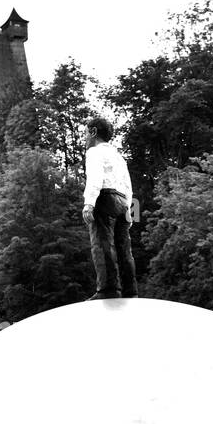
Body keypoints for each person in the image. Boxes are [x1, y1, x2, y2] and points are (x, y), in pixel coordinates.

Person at [82, 116, 137, 300]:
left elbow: (95, 178)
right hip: (122, 201)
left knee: (101, 242)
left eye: (86, 133)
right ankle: (130, 291)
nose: (85, 138)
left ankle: (108, 290)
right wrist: (129, 210)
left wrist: (89, 203)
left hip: (104, 198)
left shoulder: (94, 153)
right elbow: (128, 184)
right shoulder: (119, 157)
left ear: (94, 132)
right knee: (124, 248)